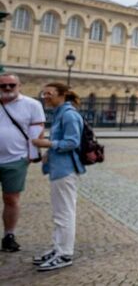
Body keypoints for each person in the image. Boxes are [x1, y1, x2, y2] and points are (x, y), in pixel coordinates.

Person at [29, 82, 84, 271]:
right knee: (59, 213)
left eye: (49, 93)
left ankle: (64, 254)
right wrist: (49, 153)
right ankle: (57, 249)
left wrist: (47, 144)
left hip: (65, 170)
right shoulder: (60, 113)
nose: (45, 97)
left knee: (65, 213)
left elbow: (73, 142)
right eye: (43, 93)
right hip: (59, 168)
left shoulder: (69, 114)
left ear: (62, 94)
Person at [0, 73, 45, 253]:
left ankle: (9, 235)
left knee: (11, 198)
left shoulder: (32, 105)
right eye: (3, 85)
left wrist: (31, 156)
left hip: (16, 159)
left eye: (12, 85)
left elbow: (37, 131)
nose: (7, 88)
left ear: (19, 86)